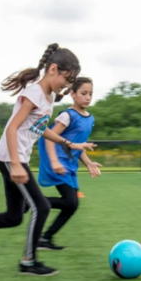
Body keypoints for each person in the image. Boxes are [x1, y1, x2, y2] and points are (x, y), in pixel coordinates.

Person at [0, 43, 96, 276]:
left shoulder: (49, 97)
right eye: (67, 79)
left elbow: (40, 128)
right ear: (53, 69)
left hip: (12, 157)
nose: (68, 85)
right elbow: (12, 129)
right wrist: (17, 163)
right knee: (40, 207)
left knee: (13, 216)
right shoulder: (33, 93)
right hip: (12, 157)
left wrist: (67, 143)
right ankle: (28, 262)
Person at [37, 77, 101, 251]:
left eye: (90, 94)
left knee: (72, 205)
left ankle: (45, 239)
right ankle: (34, 201)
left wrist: (88, 163)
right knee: (70, 202)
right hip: (57, 163)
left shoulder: (90, 119)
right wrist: (54, 161)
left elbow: (79, 145)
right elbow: (48, 137)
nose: (88, 97)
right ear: (72, 94)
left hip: (70, 165)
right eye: (83, 93)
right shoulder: (67, 116)